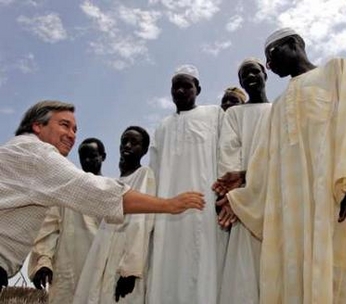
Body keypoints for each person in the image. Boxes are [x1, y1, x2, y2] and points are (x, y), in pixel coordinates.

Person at [217, 28, 346, 303]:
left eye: (271, 55)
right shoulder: (278, 106)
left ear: (293, 43)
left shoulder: (336, 71)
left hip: (341, 202)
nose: (269, 65)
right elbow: (270, 162)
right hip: (297, 220)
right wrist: (242, 186)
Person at [0, 100, 204, 292]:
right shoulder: (40, 156)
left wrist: (129, 268)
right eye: (64, 125)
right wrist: (169, 205)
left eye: (74, 129)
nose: (71, 134)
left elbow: (132, 224)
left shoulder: (21, 151)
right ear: (38, 126)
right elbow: (95, 194)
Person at [147, 65, 224, 304]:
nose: (180, 91)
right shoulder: (162, 127)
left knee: (202, 267)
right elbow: (155, 171)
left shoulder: (215, 114)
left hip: (205, 205)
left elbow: (226, 154)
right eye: (175, 87)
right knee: (166, 265)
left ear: (198, 89)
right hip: (166, 211)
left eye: (186, 86)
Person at [74, 126, 155, 303]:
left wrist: (130, 270)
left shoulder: (144, 174)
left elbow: (140, 222)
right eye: (124, 141)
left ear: (144, 150)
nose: (127, 145)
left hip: (122, 252)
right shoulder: (115, 181)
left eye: (134, 142)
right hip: (103, 246)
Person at [215, 57, 272, 304]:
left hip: (277, 197)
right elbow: (229, 154)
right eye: (244, 75)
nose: (250, 77)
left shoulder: (280, 109)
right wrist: (236, 197)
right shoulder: (235, 114)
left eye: (254, 72)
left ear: (265, 75)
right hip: (246, 202)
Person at [27, 137, 106, 304]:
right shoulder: (66, 191)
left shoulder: (113, 191)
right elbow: (48, 229)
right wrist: (43, 262)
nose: (87, 161)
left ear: (103, 156)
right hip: (68, 272)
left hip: (102, 270)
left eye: (92, 156)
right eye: (83, 157)